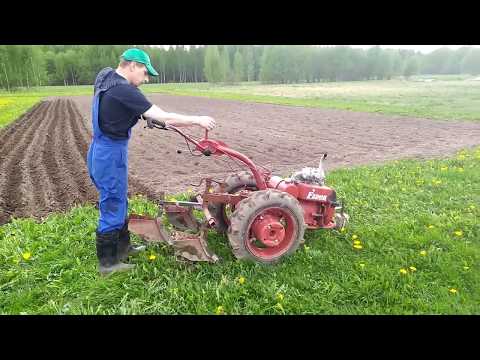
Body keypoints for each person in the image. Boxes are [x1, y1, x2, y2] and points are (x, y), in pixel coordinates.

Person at [87, 48, 216, 276]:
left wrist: (143, 116)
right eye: (145, 73)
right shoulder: (124, 90)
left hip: (105, 150)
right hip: (109, 154)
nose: (145, 79)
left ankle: (124, 248)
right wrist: (197, 120)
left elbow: (125, 108)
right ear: (133, 65)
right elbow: (162, 115)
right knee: (112, 203)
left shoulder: (106, 76)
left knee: (119, 199)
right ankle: (108, 264)